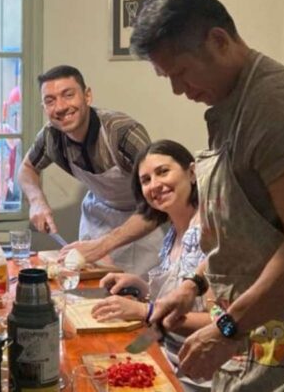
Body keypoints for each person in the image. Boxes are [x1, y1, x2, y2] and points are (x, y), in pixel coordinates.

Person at [131, 0, 284, 390]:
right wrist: (193, 286)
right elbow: (244, 238)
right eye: (167, 78)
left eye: (182, 71)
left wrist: (227, 328)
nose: (178, 89)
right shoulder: (233, 105)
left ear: (218, 41)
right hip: (263, 331)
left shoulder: (278, 107)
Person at [18, 65, 164, 276]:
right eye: (50, 101)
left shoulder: (123, 133)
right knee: (90, 291)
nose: (60, 107)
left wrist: (102, 246)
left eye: (68, 95)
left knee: (136, 293)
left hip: (141, 218)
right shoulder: (52, 136)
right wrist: (36, 200)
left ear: (87, 96)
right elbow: (27, 168)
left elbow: (158, 203)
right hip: (97, 217)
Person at [91, 140, 212, 391]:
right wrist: (140, 285)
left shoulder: (208, 234)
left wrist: (143, 311)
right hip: (166, 356)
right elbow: (167, 312)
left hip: (198, 375)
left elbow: (217, 320)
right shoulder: (171, 234)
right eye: (146, 180)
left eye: (163, 172)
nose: (155, 185)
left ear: (191, 173)